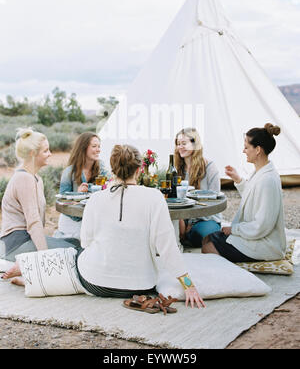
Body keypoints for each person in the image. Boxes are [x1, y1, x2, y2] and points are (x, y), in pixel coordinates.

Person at [3, 144, 206, 309]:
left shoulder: (96, 198)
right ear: (139, 169)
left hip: (95, 283)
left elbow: (86, 241)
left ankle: (32, 272)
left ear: (112, 169)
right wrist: (189, 286)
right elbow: (167, 247)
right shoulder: (154, 197)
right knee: (76, 254)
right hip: (141, 286)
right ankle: (31, 273)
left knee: (72, 255)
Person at [202, 123, 286, 262]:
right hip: (253, 235)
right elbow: (253, 196)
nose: (243, 151)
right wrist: (238, 179)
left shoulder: (268, 180)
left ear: (257, 149)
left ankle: (230, 276)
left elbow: (262, 225)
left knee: (208, 247)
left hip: (265, 243)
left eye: (246, 147)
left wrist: (234, 230)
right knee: (207, 238)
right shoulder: (261, 172)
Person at [0, 128, 78, 263]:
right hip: (16, 243)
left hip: (26, 239)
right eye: (46, 150)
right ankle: (26, 274)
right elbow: (34, 222)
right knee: (75, 252)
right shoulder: (24, 179)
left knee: (75, 242)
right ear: (32, 153)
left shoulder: (36, 178)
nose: (50, 154)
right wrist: (45, 257)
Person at [54, 132, 106, 241]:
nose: (98, 150)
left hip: (92, 220)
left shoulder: (101, 167)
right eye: (94, 146)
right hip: (72, 222)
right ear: (83, 148)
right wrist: (78, 193)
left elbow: (109, 184)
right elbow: (61, 199)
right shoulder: (69, 172)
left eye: (99, 146)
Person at [175, 128, 222, 248]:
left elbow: (214, 200)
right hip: (183, 218)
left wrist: (191, 222)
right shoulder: (176, 169)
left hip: (206, 218)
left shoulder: (210, 167)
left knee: (203, 233)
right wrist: (181, 221)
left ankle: (188, 236)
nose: (180, 147)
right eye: (178, 144)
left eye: (184, 143)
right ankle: (184, 236)